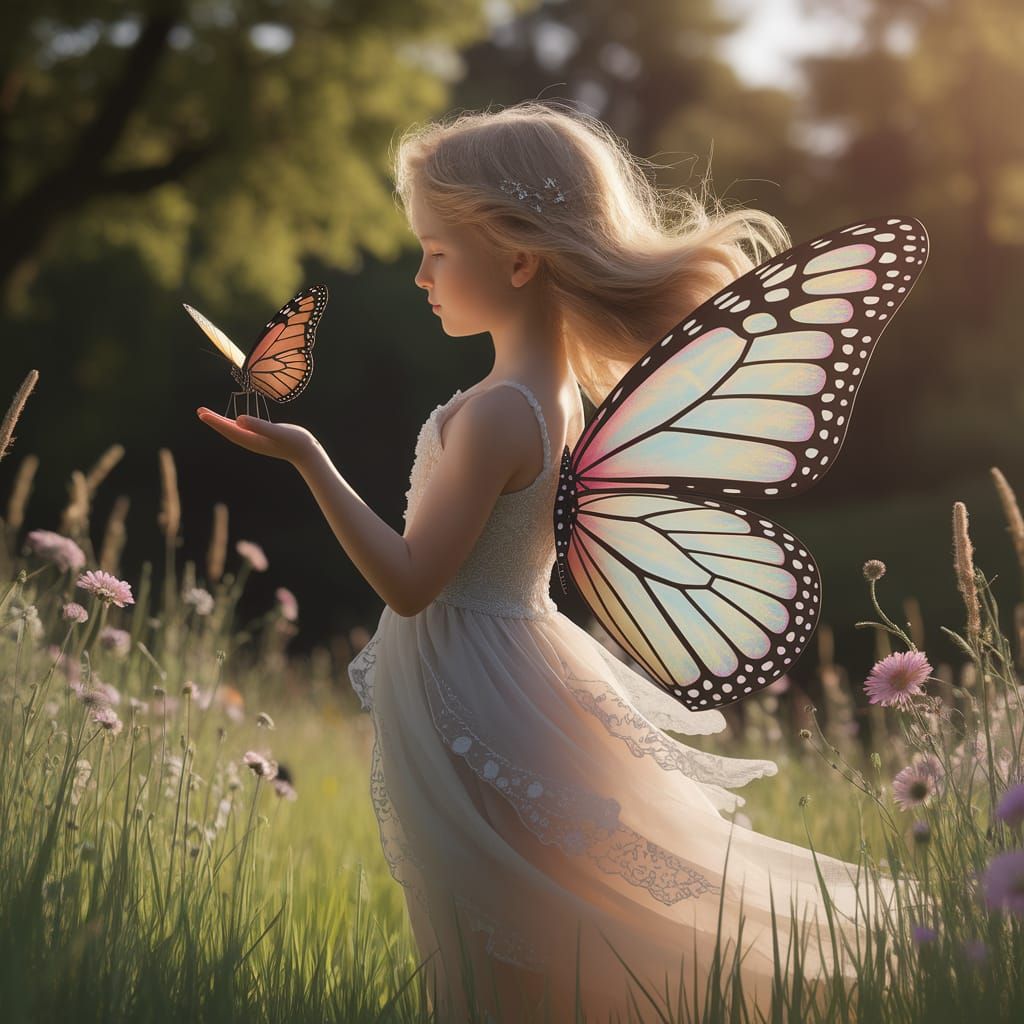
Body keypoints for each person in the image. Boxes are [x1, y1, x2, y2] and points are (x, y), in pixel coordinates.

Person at [197, 100, 906, 1023]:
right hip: (507, 667)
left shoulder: (500, 413)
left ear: (519, 259)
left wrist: (308, 459)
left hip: (478, 686)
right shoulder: (548, 393)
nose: (420, 276)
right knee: (523, 930)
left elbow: (410, 582)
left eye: (436, 251)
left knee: (492, 938)